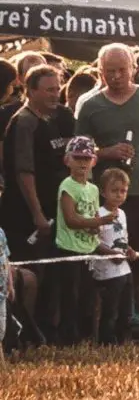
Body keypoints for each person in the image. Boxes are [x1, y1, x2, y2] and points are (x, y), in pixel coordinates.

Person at [76, 43, 139, 345]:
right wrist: (105, 152)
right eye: (110, 71)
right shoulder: (90, 104)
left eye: (122, 70)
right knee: (106, 265)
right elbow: (77, 151)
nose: (117, 76)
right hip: (104, 198)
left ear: (133, 68)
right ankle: (107, 333)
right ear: (99, 71)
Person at [7, 65, 78, 341]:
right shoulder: (24, 122)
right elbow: (24, 172)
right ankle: (25, 332)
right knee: (31, 273)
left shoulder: (62, 116)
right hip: (25, 214)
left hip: (59, 208)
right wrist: (36, 212)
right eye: (48, 90)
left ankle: (55, 329)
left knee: (57, 273)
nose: (55, 94)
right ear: (31, 90)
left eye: (57, 88)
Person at [53, 137, 110, 342]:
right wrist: (99, 221)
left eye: (87, 158)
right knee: (70, 296)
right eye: (77, 158)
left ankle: (86, 336)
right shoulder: (67, 185)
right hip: (69, 248)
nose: (82, 163)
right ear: (67, 160)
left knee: (88, 294)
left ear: (94, 161)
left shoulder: (93, 189)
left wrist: (97, 227)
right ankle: (68, 337)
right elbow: (70, 219)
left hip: (88, 249)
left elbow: (94, 217)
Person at [88, 167, 136, 345]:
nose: (119, 195)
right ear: (103, 191)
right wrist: (110, 253)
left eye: (123, 191)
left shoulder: (122, 214)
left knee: (126, 309)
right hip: (107, 272)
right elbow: (93, 242)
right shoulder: (98, 214)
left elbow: (122, 238)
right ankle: (106, 342)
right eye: (114, 191)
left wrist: (129, 249)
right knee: (110, 310)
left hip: (124, 270)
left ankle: (124, 340)